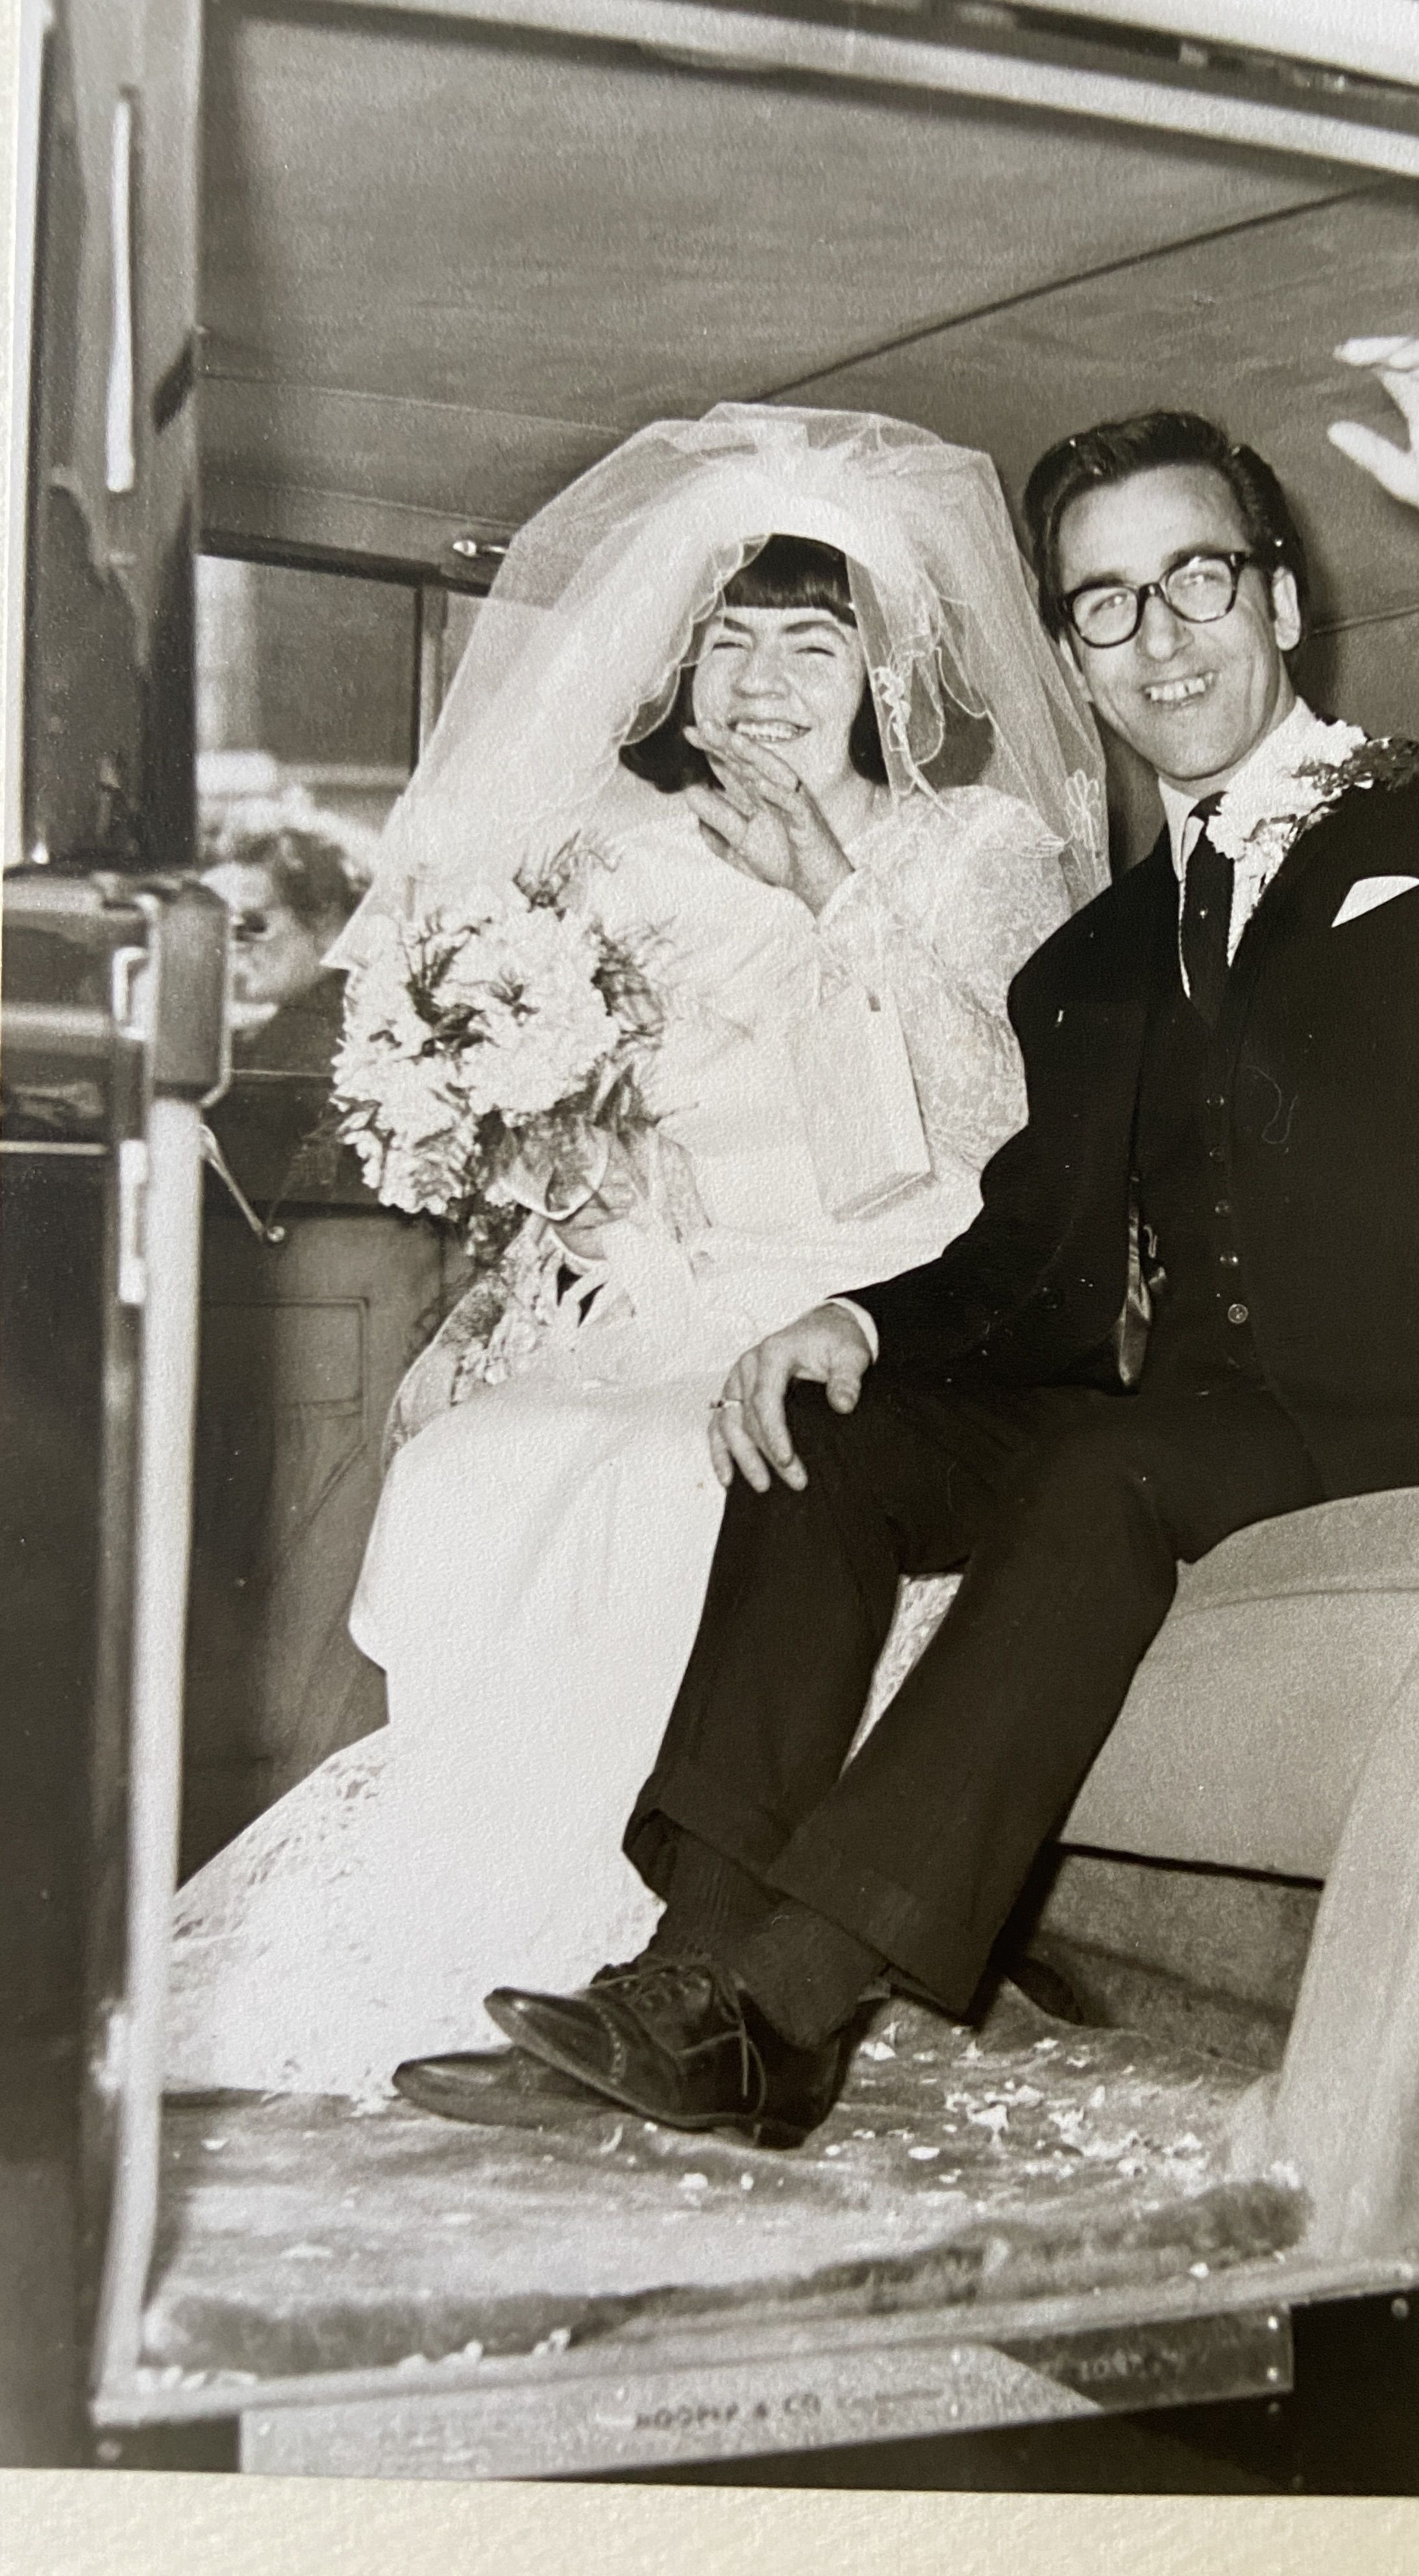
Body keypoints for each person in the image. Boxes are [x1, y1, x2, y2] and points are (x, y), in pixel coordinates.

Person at [404, 336, 1419, 2149]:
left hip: (1418, 1404)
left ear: (1280, 599)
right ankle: (690, 1973)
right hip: (1198, 1422)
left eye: (1198, 582)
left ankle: (794, 2006)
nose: (1159, 639)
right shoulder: (1087, 966)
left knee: (1112, 1465)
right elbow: (1034, 1262)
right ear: (1073, 654)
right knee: (830, 1432)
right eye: (1105, 607)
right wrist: (859, 1323)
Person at [167, 406, 1104, 2096]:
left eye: (811, 645)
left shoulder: (976, 851)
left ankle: (669, 1951)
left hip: (886, 1298)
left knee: (675, 1476)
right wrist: (542, 1225)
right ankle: (488, 1932)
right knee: (479, 1458)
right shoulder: (620, 861)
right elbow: (603, 1137)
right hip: (671, 1293)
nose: (762, 685)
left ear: (882, 669)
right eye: (729, 642)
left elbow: (1015, 1126)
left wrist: (839, 898)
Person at [200, 820, 366, 1072]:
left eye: (250, 924)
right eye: (219, 926)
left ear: (327, 922)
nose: (231, 945)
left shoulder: (324, 1038)